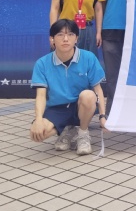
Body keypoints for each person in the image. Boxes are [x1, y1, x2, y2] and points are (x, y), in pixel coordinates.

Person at [30, 19, 107, 156]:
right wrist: (38, 120)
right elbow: (40, 96)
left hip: (80, 106)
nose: (65, 39)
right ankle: (68, 129)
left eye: (70, 34)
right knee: (38, 134)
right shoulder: (42, 63)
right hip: (58, 107)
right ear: (52, 39)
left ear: (76, 38)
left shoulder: (88, 58)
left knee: (88, 95)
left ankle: (83, 133)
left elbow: (98, 90)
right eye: (60, 35)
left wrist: (102, 116)